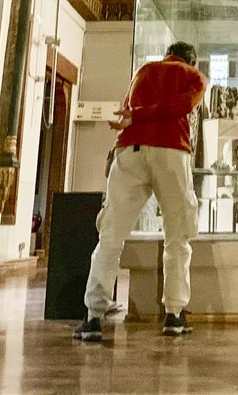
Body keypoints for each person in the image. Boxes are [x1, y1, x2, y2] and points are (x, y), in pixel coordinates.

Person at [74, 42, 206, 342]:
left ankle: (93, 316)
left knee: (110, 236)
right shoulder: (193, 75)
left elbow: (125, 114)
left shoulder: (143, 71)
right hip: (171, 151)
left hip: (130, 150)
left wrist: (135, 120)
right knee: (177, 237)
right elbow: (183, 106)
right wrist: (143, 115)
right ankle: (174, 313)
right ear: (192, 61)